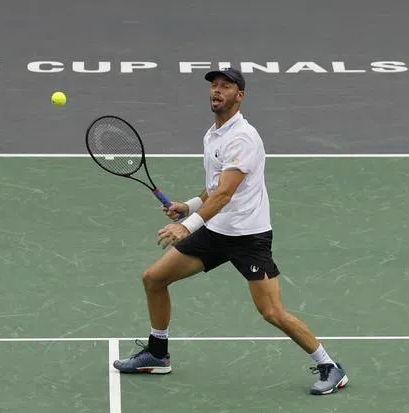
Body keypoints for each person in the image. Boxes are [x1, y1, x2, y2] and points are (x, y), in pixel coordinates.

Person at [113, 67, 349, 395]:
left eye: (226, 86)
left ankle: (330, 366)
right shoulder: (213, 135)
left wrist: (186, 226)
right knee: (154, 279)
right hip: (216, 230)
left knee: (271, 312)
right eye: (214, 85)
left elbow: (226, 194)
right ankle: (157, 353)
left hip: (248, 237)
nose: (217, 91)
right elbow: (214, 190)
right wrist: (190, 206)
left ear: (240, 95)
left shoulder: (243, 138)